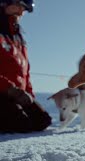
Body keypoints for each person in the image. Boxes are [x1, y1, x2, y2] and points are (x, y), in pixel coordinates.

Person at [0, 0, 51, 133]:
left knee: (42, 121)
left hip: (17, 94)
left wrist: (29, 95)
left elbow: (25, 72)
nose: (21, 12)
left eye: (24, 8)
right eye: (18, 5)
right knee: (22, 124)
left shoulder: (18, 37)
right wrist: (11, 90)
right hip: (3, 92)